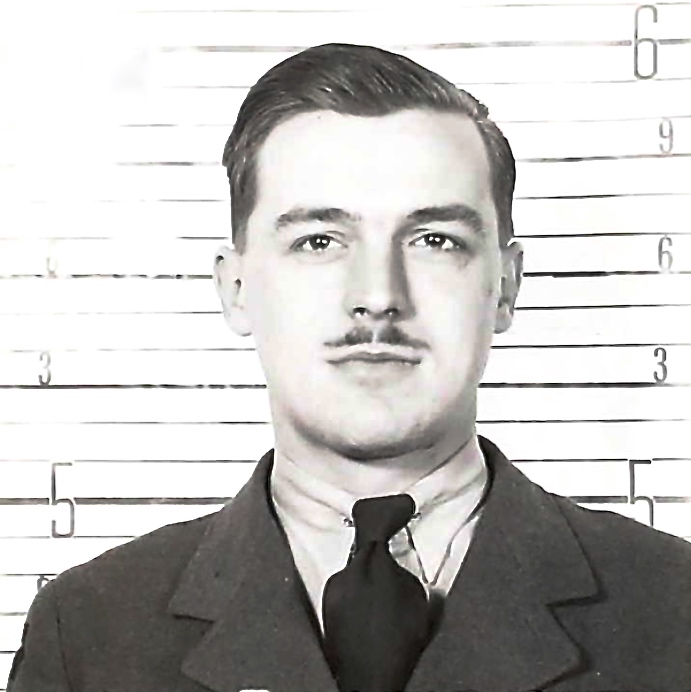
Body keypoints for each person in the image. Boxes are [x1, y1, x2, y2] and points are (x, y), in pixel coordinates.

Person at [8, 43, 691, 692]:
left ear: (506, 287)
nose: (377, 296)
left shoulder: (675, 606)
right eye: (318, 241)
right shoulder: (88, 631)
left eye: (434, 240)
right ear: (236, 288)